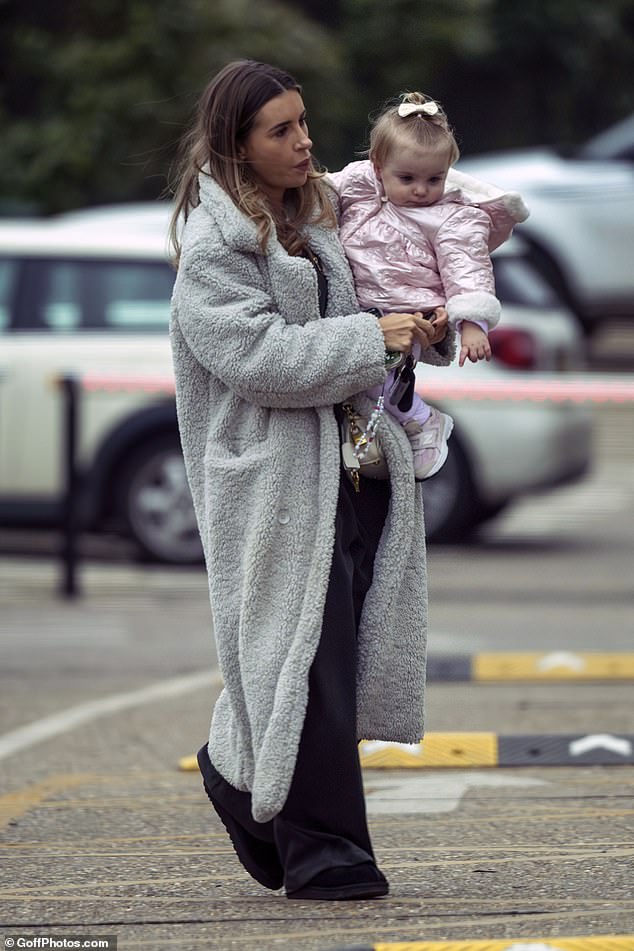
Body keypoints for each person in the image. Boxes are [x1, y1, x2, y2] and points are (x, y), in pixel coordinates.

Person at [168, 60, 455, 902]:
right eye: (280, 130)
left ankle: (239, 777)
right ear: (236, 144)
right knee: (308, 664)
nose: (304, 141)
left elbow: (379, 301)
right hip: (273, 488)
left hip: (357, 473)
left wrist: (423, 323)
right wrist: (374, 337)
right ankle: (326, 851)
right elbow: (260, 362)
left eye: (302, 123)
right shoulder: (212, 252)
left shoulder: (321, 216)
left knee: (313, 660)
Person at [328, 91, 529, 480]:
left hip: (412, 314)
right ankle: (411, 423)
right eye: (407, 178)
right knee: (362, 384)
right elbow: (321, 192)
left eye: (434, 179)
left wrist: (472, 323)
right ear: (378, 167)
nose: (421, 190)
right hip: (361, 309)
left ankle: (423, 420)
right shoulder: (360, 187)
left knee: (370, 380)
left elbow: (467, 268)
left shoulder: (454, 218)